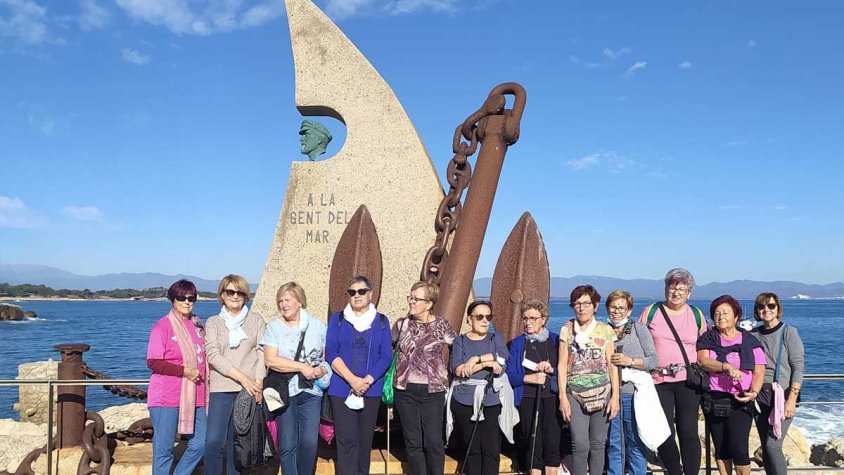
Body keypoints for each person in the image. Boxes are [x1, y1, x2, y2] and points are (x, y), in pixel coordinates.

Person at [640, 268, 707, 475]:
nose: (676, 292)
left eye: (682, 289)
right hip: (658, 379)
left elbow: (706, 345)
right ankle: (675, 471)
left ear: (689, 293)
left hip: (688, 379)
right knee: (664, 432)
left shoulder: (696, 314)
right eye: (673, 287)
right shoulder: (652, 312)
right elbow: (638, 339)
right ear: (665, 289)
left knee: (688, 432)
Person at [261, 282, 331, 475]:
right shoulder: (274, 327)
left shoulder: (318, 326)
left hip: (311, 391)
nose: (283, 304)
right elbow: (270, 360)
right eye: (280, 301)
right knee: (287, 444)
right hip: (285, 392)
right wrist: (302, 367)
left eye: (287, 300)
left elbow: (327, 359)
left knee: (309, 442)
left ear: (299, 301)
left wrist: (322, 370)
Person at [325, 275, 392, 475]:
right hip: (342, 390)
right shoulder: (337, 319)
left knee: (364, 441)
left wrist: (368, 380)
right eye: (352, 292)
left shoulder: (381, 321)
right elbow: (331, 351)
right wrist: (352, 380)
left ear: (370, 294)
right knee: (346, 440)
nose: (357, 295)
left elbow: (386, 356)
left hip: (370, 391)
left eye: (362, 291)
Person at [204, 274, 267, 475]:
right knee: (214, 441)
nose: (235, 296)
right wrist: (244, 378)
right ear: (222, 295)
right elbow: (213, 355)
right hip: (221, 389)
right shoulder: (213, 322)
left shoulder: (256, 320)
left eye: (240, 292)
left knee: (238, 443)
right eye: (230, 291)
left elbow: (261, 353)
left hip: (247, 392)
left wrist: (258, 383)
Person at [696, 295, 766, 475]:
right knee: (721, 447)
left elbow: (759, 371)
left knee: (739, 447)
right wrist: (726, 367)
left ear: (736, 317)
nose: (720, 317)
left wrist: (754, 392)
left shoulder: (750, 341)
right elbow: (702, 361)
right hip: (714, 398)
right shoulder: (708, 338)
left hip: (741, 399)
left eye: (725, 313)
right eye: (717, 313)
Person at [393, 281, 456, 475]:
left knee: (433, 441)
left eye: (416, 298)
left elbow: (459, 348)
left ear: (429, 303)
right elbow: (387, 349)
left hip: (433, 391)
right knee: (413, 442)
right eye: (410, 297)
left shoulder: (442, 325)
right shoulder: (401, 324)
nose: (411, 302)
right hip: (405, 390)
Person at [146, 279, 208, 475]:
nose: (186, 302)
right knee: (164, 451)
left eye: (191, 298)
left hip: (197, 395)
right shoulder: (162, 327)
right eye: (181, 297)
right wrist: (184, 371)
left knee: (202, 443)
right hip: (167, 397)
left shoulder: (198, 324)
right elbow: (153, 362)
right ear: (172, 299)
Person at [558, 285, 619, 475]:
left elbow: (612, 364)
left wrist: (615, 395)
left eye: (586, 303)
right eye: (576, 304)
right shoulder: (567, 331)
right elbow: (561, 365)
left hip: (603, 392)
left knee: (598, 444)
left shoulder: (606, 330)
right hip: (575, 393)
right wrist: (563, 397)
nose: (581, 308)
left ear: (595, 305)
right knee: (580, 444)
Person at [447, 300, 510, 475]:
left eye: (488, 317)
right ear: (470, 319)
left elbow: (503, 360)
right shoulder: (460, 341)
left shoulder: (496, 338)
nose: (485, 320)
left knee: (491, 447)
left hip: (490, 400)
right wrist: (487, 363)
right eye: (480, 316)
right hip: (464, 399)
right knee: (472, 446)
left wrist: (476, 360)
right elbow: (458, 369)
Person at [605, 290, 659, 475]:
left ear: (629, 310)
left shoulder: (639, 329)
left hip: (632, 394)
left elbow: (653, 360)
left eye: (622, 307)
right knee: (614, 442)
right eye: (613, 307)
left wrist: (631, 361)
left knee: (635, 440)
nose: (617, 311)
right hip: (609, 395)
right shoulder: (601, 330)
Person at [751, 292, 805, 475]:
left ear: (778, 308)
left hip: (782, 396)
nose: (766, 310)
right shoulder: (753, 334)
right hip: (759, 395)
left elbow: (798, 366)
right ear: (757, 310)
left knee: (772, 446)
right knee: (766, 449)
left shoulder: (788, 332)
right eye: (761, 306)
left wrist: (792, 399)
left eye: (771, 306)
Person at [506, 298, 561, 475]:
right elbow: (511, 375)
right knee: (532, 442)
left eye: (533, 318)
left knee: (552, 442)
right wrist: (529, 378)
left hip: (552, 397)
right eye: (525, 318)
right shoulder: (517, 344)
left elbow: (566, 371)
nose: (528, 322)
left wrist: (551, 369)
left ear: (543, 319)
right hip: (528, 398)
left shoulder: (556, 341)